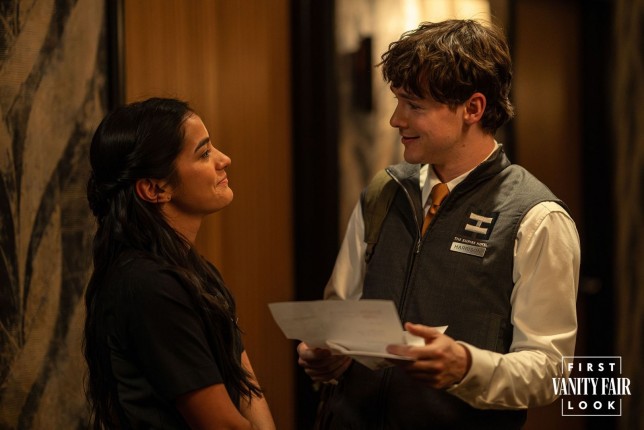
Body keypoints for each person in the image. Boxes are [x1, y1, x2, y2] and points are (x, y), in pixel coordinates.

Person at [297, 19, 580, 429]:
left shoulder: (537, 218)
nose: (396, 120)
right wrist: (330, 356)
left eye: (414, 106)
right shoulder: (385, 191)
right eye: (397, 101)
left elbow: (549, 371)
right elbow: (340, 315)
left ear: (473, 109)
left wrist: (466, 366)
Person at [83, 98, 275, 430]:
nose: (224, 160)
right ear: (154, 188)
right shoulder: (148, 285)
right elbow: (220, 425)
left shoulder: (194, 269)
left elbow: (247, 388)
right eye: (204, 153)